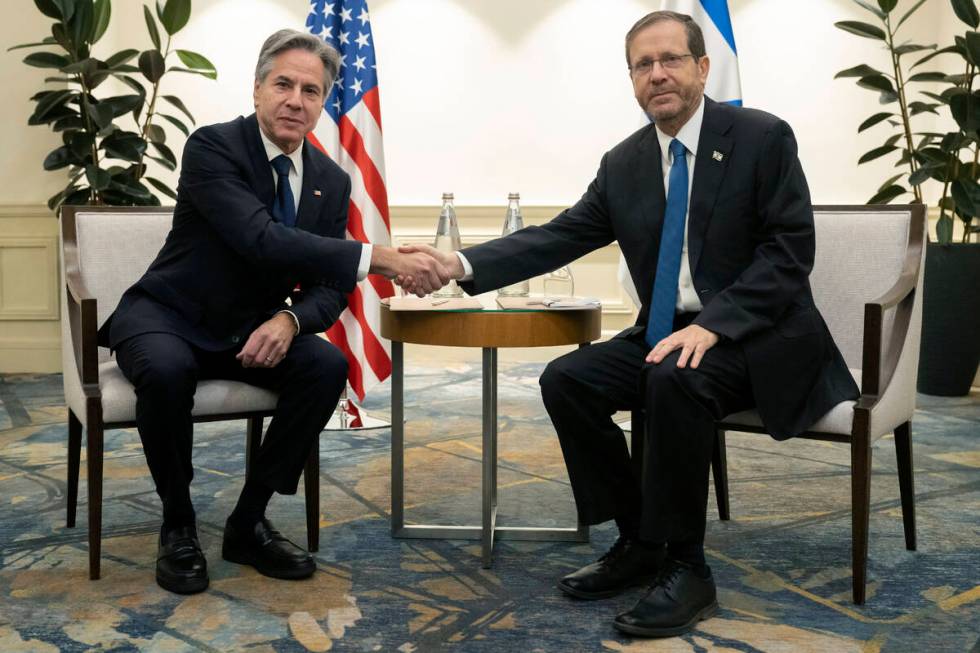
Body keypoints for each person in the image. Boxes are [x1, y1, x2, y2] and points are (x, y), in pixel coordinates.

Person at [399, 11, 859, 638]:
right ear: (632, 81)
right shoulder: (626, 162)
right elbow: (560, 235)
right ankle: (639, 539)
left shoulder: (760, 136)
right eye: (643, 65)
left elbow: (788, 251)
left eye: (670, 59)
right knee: (569, 379)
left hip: (761, 337)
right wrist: (459, 262)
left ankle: (687, 566)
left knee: (675, 377)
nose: (657, 74)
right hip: (668, 330)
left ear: (701, 67)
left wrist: (716, 326)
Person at [99, 29, 449, 595]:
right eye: (283, 84)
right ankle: (179, 523)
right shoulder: (213, 147)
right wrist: (379, 256)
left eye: (311, 91)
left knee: (325, 366)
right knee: (165, 373)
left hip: (250, 326)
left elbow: (330, 286)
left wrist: (290, 320)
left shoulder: (332, 181)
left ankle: (247, 521)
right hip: (169, 314)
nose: (295, 100)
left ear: (322, 103)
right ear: (258, 89)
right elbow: (260, 239)